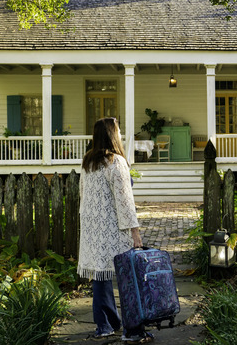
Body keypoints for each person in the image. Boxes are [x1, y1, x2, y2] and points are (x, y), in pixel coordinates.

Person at [77, 117, 152, 342]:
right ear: (112, 134)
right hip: (114, 229)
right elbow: (125, 202)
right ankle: (133, 331)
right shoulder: (116, 162)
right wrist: (135, 232)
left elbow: (83, 196)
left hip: (92, 229)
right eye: (118, 130)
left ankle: (106, 325)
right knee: (128, 279)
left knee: (100, 276)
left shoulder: (88, 162)